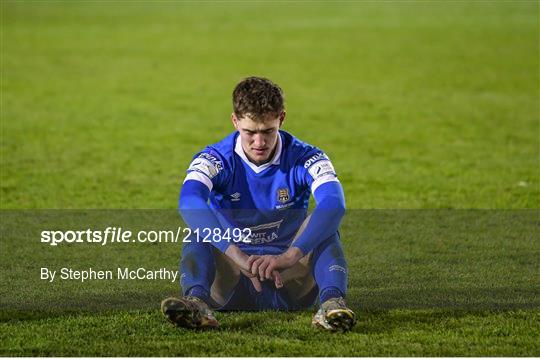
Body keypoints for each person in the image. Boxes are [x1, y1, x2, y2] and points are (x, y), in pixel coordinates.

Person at [161, 76, 356, 332]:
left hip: (289, 277)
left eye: (267, 131)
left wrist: (289, 256)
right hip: (232, 275)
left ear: (281, 119)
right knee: (199, 225)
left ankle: (331, 304)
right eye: (249, 132)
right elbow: (189, 201)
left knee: (326, 224)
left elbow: (334, 203)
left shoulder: (307, 157)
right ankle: (197, 302)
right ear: (235, 121)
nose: (259, 142)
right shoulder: (215, 158)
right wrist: (238, 255)